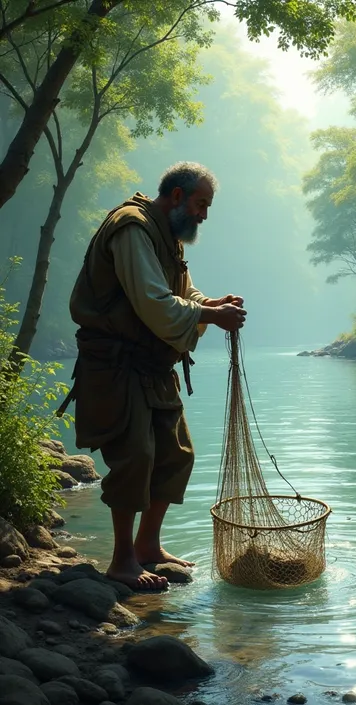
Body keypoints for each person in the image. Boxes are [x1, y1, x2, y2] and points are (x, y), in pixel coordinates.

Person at [62, 162, 246, 590]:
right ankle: (122, 560)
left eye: (208, 207)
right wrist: (210, 315)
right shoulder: (132, 227)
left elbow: (184, 292)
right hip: (117, 364)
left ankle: (148, 546)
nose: (204, 215)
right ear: (177, 197)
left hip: (153, 365)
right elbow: (153, 301)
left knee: (176, 454)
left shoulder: (167, 237)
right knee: (135, 456)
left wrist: (210, 303)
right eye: (202, 205)